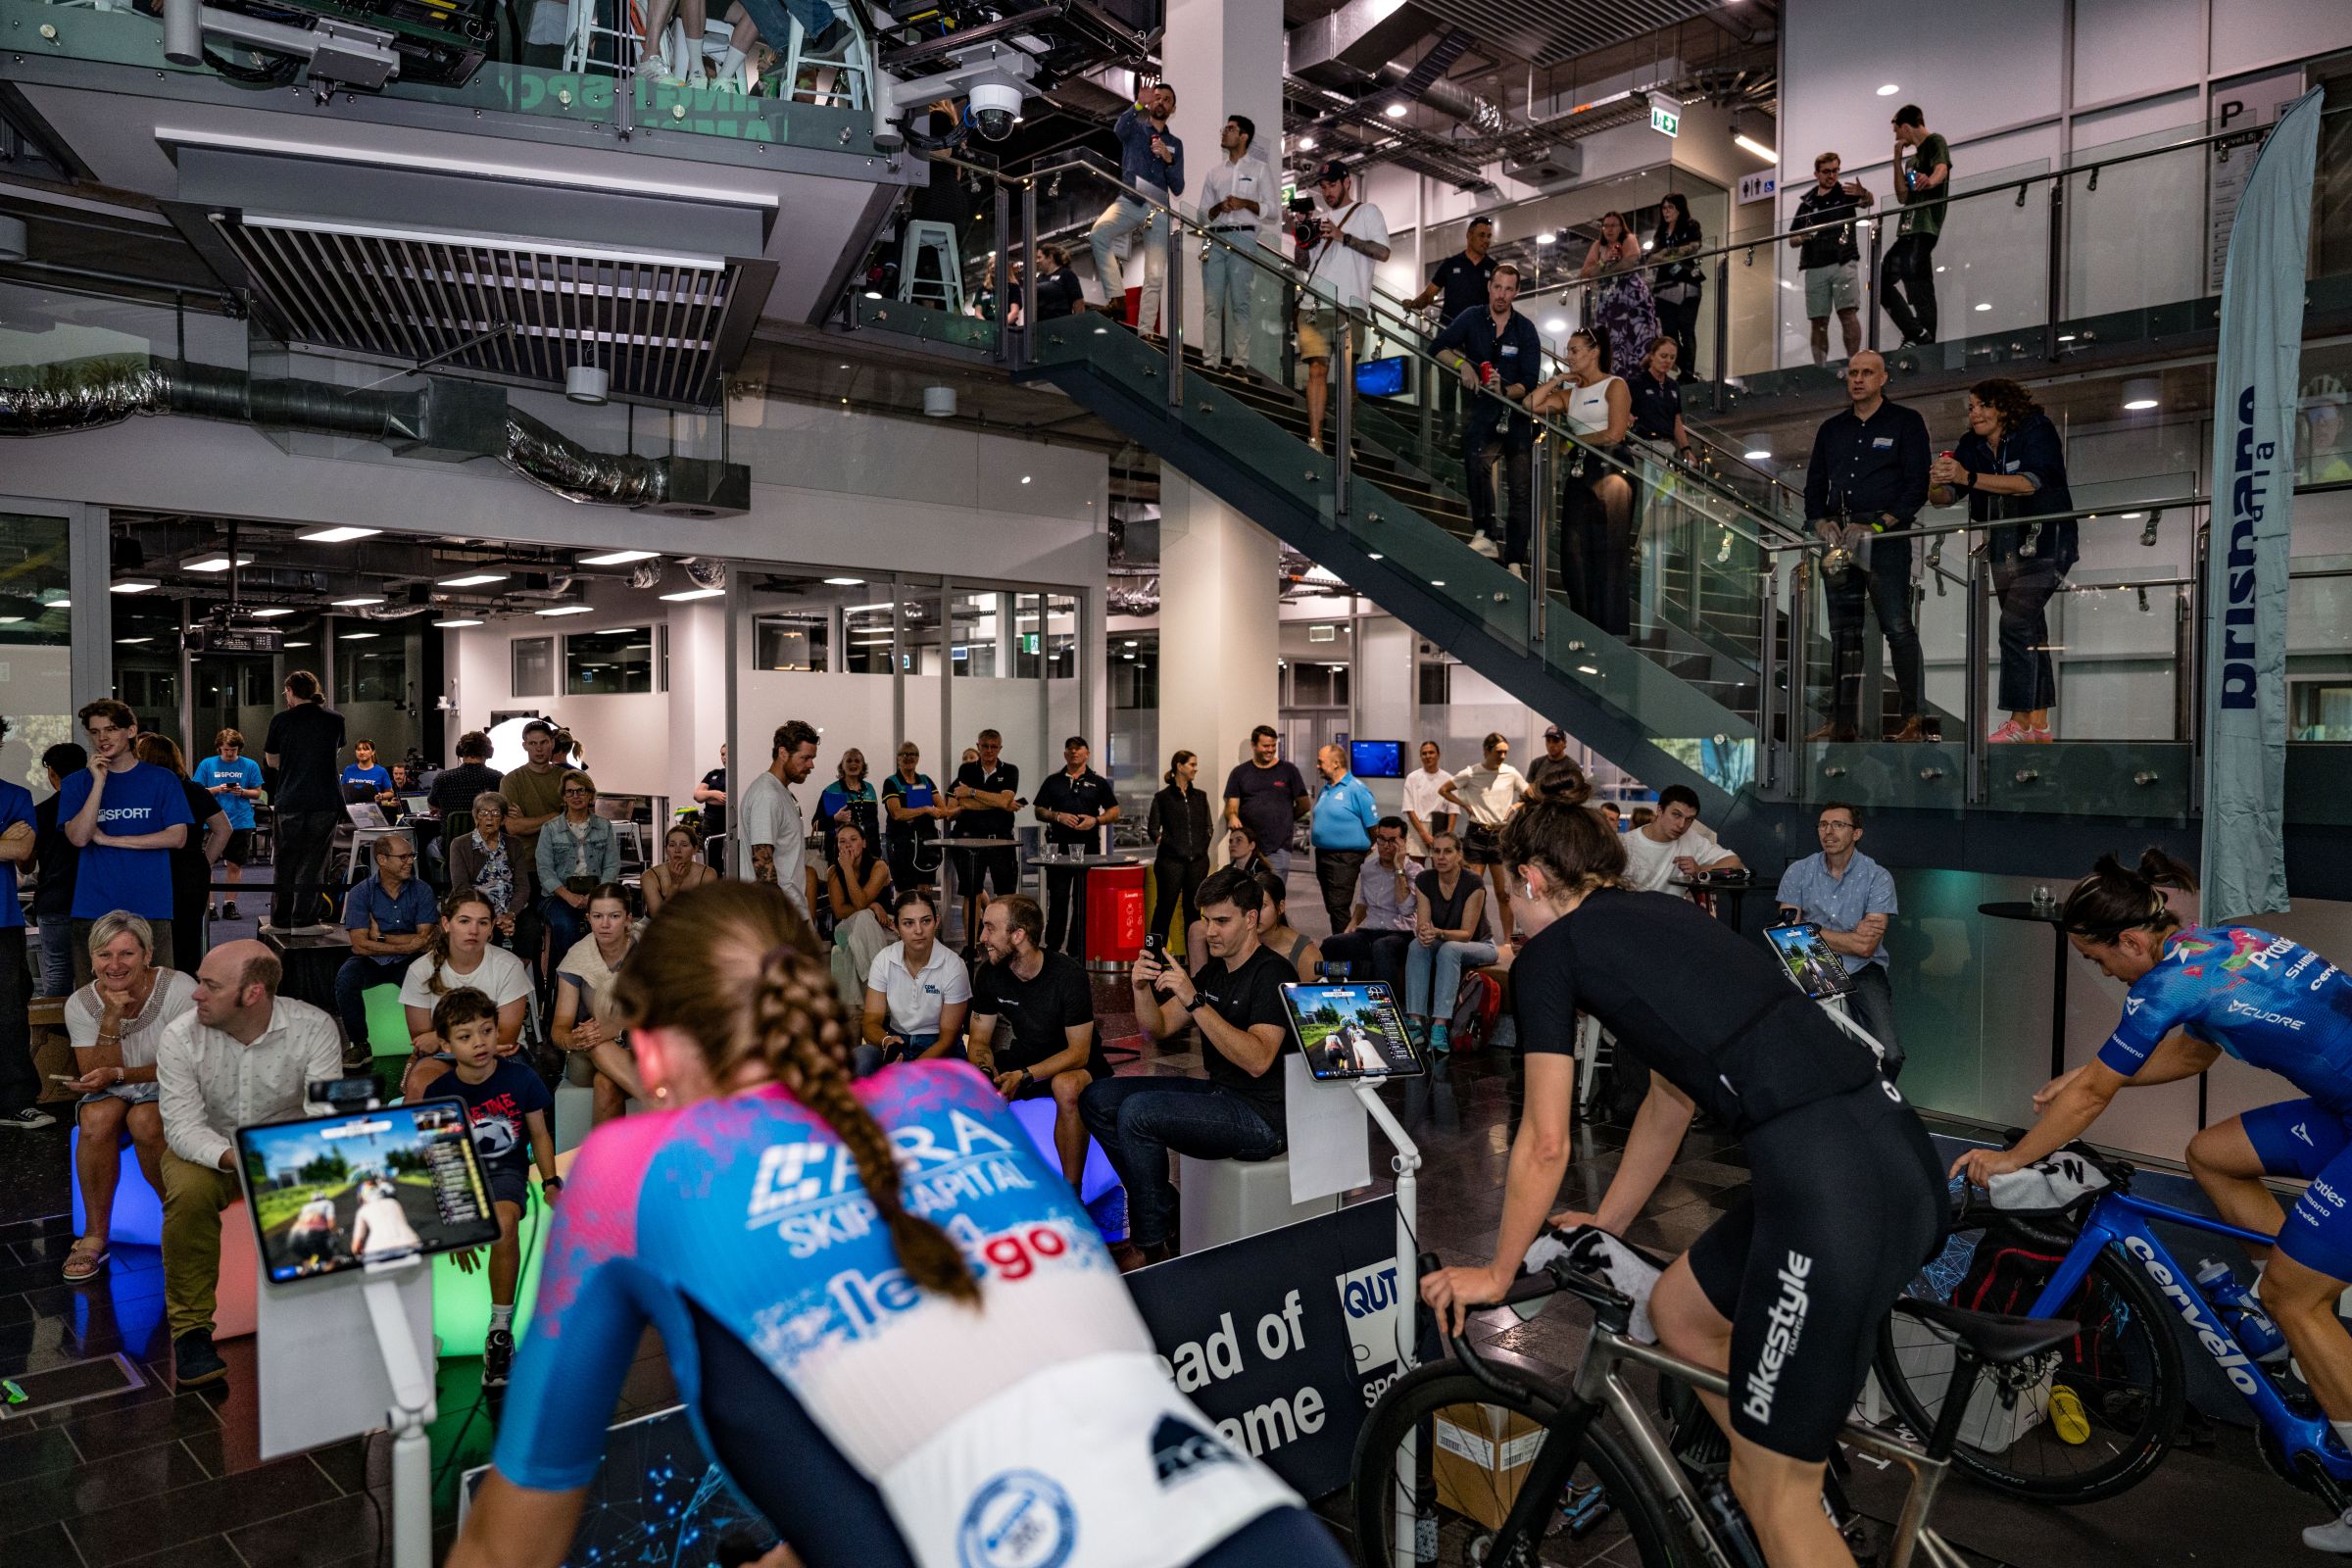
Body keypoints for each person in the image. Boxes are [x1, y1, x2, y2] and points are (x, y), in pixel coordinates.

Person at [447, 878, 1335, 1568]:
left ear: (651, 1053)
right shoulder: (954, 1090)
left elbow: (505, 1546)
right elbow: (951, 1410)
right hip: (1261, 1529)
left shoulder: (626, 1170)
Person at [1421, 796, 1942, 1568]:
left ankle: (1788, 1489)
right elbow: (1674, 1095)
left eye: (1509, 894)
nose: (1512, 917)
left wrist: (1499, 1272)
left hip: (1828, 1190)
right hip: (1895, 1154)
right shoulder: (1662, 916)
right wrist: (1609, 1221)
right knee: (1679, 1311)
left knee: (1773, 1491)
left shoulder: (1553, 954)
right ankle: (1794, 1475)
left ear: (1529, 878)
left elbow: (1543, 1141)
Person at [1949, 858, 2352, 1552]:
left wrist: (2013, 1157)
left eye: (2097, 959)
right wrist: (2091, 1072)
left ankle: (2300, 1316)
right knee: (2213, 1154)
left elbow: (2091, 1100)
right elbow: (2191, 1060)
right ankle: (2287, 1313)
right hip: (2342, 1108)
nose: (2103, 973)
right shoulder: (2210, 945)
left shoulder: (2164, 982)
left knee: (2299, 1294)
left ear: (2131, 942)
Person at [158, 941, 342, 1387]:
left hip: (291, 1150)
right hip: (210, 1150)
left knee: (337, 1182)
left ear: (253, 993)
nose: (196, 994)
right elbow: (182, 1126)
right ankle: (192, 1330)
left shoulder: (314, 1028)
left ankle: (326, 1316)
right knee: (189, 1194)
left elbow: (325, 1119)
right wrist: (237, 1159)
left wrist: (278, 1160)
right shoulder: (180, 1037)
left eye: (209, 985)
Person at [1091, 867, 1295, 1270]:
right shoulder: (1216, 970)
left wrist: (1194, 1000)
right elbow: (1157, 1028)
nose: (1210, 931)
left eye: (1222, 920)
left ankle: (1149, 1245)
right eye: (1205, 919)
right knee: (1098, 1097)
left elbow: (1257, 1060)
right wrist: (1139, 988)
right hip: (1221, 1095)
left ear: (1251, 919)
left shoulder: (1274, 973)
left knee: (1138, 1114)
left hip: (1263, 1118)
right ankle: (1164, 1208)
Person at [1930, 377, 2076, 743]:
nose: (1975, 413)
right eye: (1971, 407)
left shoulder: (2035, 429)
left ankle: (2020, 721)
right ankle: (2039, 724)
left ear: (2005, 407)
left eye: (1983, 405)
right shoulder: (1971, 444)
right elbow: (1947, 496)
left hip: (2046, 540)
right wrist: (1936, 482)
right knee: (2028, 628)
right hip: (2003, 543)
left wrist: (1970, 476)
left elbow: (2031, 483)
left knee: (2014, 623)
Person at [435, 985, 559, 1387]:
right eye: (465, 1036)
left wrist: (552, 1180)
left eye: (487, 1031)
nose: (479, 1043)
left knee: (504, 1222)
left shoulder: (521, 1078)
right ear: (446, 1043)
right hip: (461, 1173)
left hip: (506, 1170)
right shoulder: (439, 1092)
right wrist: (460, 1217)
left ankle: (499, 1330)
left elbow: (539, 1134)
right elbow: (440, 1158)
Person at [1805, 351, 1932, 741]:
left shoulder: (1906, 423)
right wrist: (1820, 521)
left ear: (1883, 378)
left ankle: (1913, 718)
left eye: (1867, 373)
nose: (1858, 379)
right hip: (1838, 539)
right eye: (1852, 373)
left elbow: (1916, 488)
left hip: (1885, 539)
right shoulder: (1831, 429)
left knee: (1897, 627)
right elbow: (1814, 486)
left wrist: (1877, 525)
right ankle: (1839, 721)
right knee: (1844, 633)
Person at [59, 914, 195, 1276]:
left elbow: (188, 1064)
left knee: (145, 1119)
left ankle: (181, 1228)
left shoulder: (178, 988)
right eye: (104, 955)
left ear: (148, 954)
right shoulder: (80, 1003)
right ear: (91, 959)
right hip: (114, 1085)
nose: (115, 965)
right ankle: (94, 1235)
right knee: (95, 1116)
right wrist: (110, 1018)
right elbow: (96, 1074)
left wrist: (120, 1073)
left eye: (126, 954)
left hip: (174, 1083)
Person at [965, 892, 1104, 1187]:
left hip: (1073, 1066)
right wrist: (985, 1073)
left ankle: (1071, 1193)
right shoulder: (989, 974)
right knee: (970, 1086)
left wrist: (1025, 1076)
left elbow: (1079, 1052)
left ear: (1018, 935)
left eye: (990, 928)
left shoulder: (1068, 976)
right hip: (1020, 1063)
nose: (982, 936)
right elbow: (978, 1040)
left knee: (1065, 1086)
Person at [60, 700, 191, 979]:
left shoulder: (162, 779)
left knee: (156, 998)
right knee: (93, 1001)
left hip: (150, 905)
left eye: (110, 729)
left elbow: (178, 837)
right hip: (93, 907)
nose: (102, 738)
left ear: (131, 731)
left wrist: (111, 840)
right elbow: (80, 837)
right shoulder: (77, 783)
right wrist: (98, 784)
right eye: (94, 732)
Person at [1775, 802, 1901, 1075]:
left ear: (1857, 833)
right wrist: (1848, 937)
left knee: (1890, 1055)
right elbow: (1789, 934)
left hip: (1862, 968)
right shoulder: (1799, 871)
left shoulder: (1877, 878)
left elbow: (1866, 947)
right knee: (1790, 1044)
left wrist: (1813, 930)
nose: (1828, 832)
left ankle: (1871, 1111)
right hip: (1808, 959)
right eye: (1823, 825)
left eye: (1838, 825)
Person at [1430, 262, 1541, 569]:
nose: (1501, 294)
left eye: (1508, 289)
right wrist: (1461, 364)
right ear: (1489, 288)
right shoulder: (1472, 317)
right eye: (1497, 287)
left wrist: (1505, 389)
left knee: (1520, 490)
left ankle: (1516, 559)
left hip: (1517, 415)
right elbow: (1437, 346)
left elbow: (1531, 379)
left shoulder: (1525, 329)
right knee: (1476, 459)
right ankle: (1486, 532)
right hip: (1482, 412)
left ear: (1516, 292)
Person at [1532, 326, 1637, 632]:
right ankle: (1584, 622)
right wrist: (1557, 380)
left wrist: (1574, 441)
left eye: (1575, 350)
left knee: (1608, 548)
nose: (1569, 356)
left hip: (1612, 469)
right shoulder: (1570, 394)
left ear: (1594, 352)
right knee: (1572, 550)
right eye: (1568, 350)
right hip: (1580, 468)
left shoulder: (1615, 386)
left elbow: (1615, 433)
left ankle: (1610, 627)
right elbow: (1532, 404)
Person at [399, 890, 533, 1105]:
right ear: (446, 923)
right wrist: (455, 1043)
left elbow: (507, 1036)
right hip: (445, 1056)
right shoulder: (420, 970)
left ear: (491, 929)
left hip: (500, 1054)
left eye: (482, 923)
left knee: (498, 1089)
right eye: (464, 921)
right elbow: (423, 1041)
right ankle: (416, 1139)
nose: (473, 930)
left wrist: (442, 1037)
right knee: (420, 1084)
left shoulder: (508, 966)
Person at [1297, 160, 1392, 453]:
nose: (1327, 192)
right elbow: (1303, 265)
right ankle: (1315, 439)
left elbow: (1383, 252)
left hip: (1350, 304)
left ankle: (1344, 439)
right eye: (1323, 187)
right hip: (1313, 303)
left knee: (1347, 372)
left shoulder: (1367, 211)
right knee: (1316, 368)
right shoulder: (1318, 220)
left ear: (1347, 182)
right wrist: (1299, 235)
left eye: (1332, 185)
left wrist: (1343, 237)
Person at [333, 831, 438, 1060]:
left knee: (429, 978)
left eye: (411, 856)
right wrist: (405, 945)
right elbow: (360, 945)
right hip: (371, 960)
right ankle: (360, 1045)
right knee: (346, 978)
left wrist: (380, 938)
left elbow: (425, 939)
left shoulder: (422, 890)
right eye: (403, 857)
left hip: (410, 961)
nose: (410, 861)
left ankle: (430, 1043)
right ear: (382, 860)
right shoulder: (361, 892)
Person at [1088, 80, 1184, 328]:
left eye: (1167, 100)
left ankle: (1146, 330)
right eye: (1158, 97)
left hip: (1159, 207)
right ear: (1151, 101)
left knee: (1154, 274)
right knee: (1099, 233)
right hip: (1130, 199)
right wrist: (1138, 103)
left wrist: (1168, 158)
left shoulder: (1176, 143)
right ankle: (1117, 297)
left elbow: (1179, 187)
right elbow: (1119, 130)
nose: (1161, 102)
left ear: (1173, 109)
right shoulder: (1135, 129)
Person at [133, 734, 230, 968]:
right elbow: (224, 829)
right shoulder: (195, 790)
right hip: (190, 874)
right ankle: (187, 998)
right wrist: (203, 862)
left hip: (150, 873)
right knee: (187, 945)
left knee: (146, 945)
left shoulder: (140, 791)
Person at [553, 884, 645, 1126]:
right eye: (597, 916)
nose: (605, 924)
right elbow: (559, 1027)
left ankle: (606, 1163)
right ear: (588, 919)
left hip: (644, 1046)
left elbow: (667, 1013)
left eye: (614, 916)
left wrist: (616, 1030)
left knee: (606, 1083)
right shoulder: (576, 958)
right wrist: (574, 1040)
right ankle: (671, 1108)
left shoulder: (650, 949)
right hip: (590, 1055)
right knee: (596, 1042)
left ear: (628, 919)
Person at [858, 889, 972, 1077]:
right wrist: (887, 1041)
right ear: (895, 927)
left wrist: (908, 1074)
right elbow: (870, 1022)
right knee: (860, 1059)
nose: (918, 930)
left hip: (939, 1047)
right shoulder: (884, 959)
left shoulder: (954, 966)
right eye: (908, 923)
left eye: (925, 921)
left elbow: (947, 1040)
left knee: (934, 1090)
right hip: (897, 1042)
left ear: (937, 921)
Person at [264, 670, 345, 933]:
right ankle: (305, 920)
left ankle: (280, 920)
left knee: (286, 860)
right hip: (325, 798)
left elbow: (271, 761)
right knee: (314, 861)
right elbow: (335, 752)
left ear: (290, 690)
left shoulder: (280, 720)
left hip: (290, 798)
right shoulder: (335, 720)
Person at [1198, 113, 1274, 371]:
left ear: (1244, 136)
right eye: (1225, 128)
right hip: (1216, 238)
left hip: (1244, 238)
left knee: (1240, 302)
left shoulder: (1260, 169)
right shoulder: (1214, 173)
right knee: (1212, 303)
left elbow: (1273, 211)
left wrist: (1244, 203)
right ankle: (1211, 360)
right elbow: (1201, 214)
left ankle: (1240, 361)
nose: (1224, 132)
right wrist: (1220, 206)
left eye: (1230, 129)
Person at [1438, 731, 1529, 947]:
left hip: (1500, 834)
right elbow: (1444, 789)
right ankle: (1471, 937)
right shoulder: (1471, 773)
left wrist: (1515, 806)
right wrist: (1465, 805)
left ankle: (1507, 942)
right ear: (1486, 751)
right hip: (1477, 833)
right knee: (1472, 890)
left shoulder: (1510, 773)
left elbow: (1528, 793)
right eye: (1499, 752)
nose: (1503, 756)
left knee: (1503, 892)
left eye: (1506, 752)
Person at [1403, 831, 1493, 1051]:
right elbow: (1423, 924)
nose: (1441, 857)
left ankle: (1440, 1025)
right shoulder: (1425, 879)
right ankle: (1415, 1023)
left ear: (1458, 854)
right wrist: (1424, 932)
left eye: (1448, 851)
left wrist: (1439, 933)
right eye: (1436, 851)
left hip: (1481, 944)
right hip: (1443, 939)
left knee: (1449, 950)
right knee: (1417, 945)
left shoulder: (1473, 881)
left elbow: (1466, 934)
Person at [1034, 734, 1120, 958]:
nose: (1073, 752)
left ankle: (1077, 952)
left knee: (1083, 903)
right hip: (1058, 850)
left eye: (1078, 748)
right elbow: (1039, 810)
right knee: (1059, 900)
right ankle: (1052, 951)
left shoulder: (1098, 782)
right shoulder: (1053, 781)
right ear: (1065, 754)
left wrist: (1096, 820)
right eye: (1069, 748)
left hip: (1088, 850)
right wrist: (1057, 816)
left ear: (1087, 753)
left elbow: (1114, 811)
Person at [1790, 151, 1876, 366]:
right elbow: (1792, 238)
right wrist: (1804, 236)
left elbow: (1867, 201)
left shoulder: (1846, 193)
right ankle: (1820, 368)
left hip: (1843, 259)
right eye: (1827, 171)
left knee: (1847, 314)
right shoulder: (1807, 204)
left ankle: (1853, 364)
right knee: (1818, 321)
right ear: (1816, 174)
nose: (1832, 175)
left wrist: (1864, 193)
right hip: (1815, 264)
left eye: (1835, 170)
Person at [1318, 817, 1418, 997]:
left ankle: (1386, 1004)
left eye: (1392, 840)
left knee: (1382, 947)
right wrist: (1352, 924)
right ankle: (1336, 996)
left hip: (1402, 933)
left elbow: (1406, 909)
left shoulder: (1414, 871)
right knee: (1332, 944)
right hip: (1370, 931)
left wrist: (1399, 868)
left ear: (1403, 842)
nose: (1386, 846)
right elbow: (1363, 901)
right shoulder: (1368, 868)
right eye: (1381, 839)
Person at [449, 793, 543, 979]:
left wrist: (510, 915)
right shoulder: (460, 844)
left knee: (532, 928)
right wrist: (491, 917)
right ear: (475, 817)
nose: (489, 818)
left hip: (511, 910)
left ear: (503, 819)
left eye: (495, 813)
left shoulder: (514, 844)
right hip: (477, 909)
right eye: (483, 812)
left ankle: (518, 981)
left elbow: (523, 886)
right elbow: (461, 888)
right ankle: (490, 984)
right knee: (487, 934)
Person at [1884, 104, 1952, 349]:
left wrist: (1931, 182)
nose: (1896, 137)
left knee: (1917, 281)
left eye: (1897, 131)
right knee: (1892, 280)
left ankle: (1921, 336)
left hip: (1924, 227)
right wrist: (1897, 160)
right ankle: (1920, 333)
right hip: (1908, 227)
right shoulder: (1912, 160)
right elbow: (1903, 195)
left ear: (1905, 126)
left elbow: (1941, 169)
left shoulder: (1935, 142)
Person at [948, 729, 1021, 953]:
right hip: (971, 842)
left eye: (994, 746)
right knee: (971, 893)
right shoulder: (966, 769)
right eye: (985, 746)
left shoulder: (1010, 770)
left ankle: (1006, 943)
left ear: (1000, 748)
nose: (989, 751)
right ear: (978, 746)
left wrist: (972, 792)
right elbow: (963, 804)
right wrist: (997, 801)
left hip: (1001, 841)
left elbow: (1005, 800)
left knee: (1006, 895)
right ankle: (972, 945)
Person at [537, 769, 619, 965]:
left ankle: (606, 973)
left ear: (590, 794)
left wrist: (596, 895)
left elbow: (611, 865)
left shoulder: (604, 826)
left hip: (596, 892)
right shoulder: (550, 829)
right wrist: (569, 896)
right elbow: (545, 871)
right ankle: (572, 973)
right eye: (570, 792)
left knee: (612, 924)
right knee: (565, 925)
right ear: (563, 797)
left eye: (581, 791)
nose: (576, 796)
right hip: (558, 895)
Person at [741, 719, 820, 917]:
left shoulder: (779, 791)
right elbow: (761, 859)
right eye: (806, 758)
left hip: (790, 909)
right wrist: (777, 918)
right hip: (780, 914)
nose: (811, 765)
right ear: (783, 753)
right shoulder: (767, 795)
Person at [0, 724, 35, 1131]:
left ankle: (14, 1102)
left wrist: (10, 844)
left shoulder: (15, 796)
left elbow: (22, 849)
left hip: (3, 922)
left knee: (8, 1014)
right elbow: (7, 847)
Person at [32, 742, 87, 1001]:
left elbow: (26, 862)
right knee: (97, 976)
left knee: (57, 976)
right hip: (93, 900)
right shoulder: (97, 806)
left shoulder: (41, 812)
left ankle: (54, 1039)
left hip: (54, 899)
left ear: (52, 772)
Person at [1620, 784, 1744, 898]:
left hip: (1672, 917)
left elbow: (1735, 863)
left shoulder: (1691, 838)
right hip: (1634, 916)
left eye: (1689, 819)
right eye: (1676, 814)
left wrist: (1700, 870)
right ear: (1659, 810)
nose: (1681, 825)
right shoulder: (1625, 844)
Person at [825, 819, 897, 1012]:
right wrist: (871, 905)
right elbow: (840, 911)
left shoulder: (879, 867)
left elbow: (858, 903)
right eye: (841, 841)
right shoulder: (833, 871)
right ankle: (880, 985)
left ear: (864, 843)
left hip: (882, 924)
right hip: (847, 927)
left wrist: (868, 905)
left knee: (864, 918)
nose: (847, 845)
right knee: (864, 915)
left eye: (853, 839)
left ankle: (869, 993)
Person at [1308, 743, 1379, 934]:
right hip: (1323, 855)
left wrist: (1366, 849)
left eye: (1320, 762)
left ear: (1336, 763)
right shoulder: (1326, 789)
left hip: (1345, 857)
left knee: (1339, 906)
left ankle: (1344, 951)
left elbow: (1374, 827)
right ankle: (1341, 945)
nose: (1317, 765)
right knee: (1333, 906)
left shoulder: (1356, 789)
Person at [1222, 724, 1308, 878]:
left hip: (1278, 847)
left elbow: (1304, 805)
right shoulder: (1239, 773)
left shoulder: (1289, 771)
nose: (1270, 749)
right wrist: (1233, 816)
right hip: (1246, 847)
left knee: (1273, 896)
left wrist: (1285, 819)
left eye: (1273, 745)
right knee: (1244, 895)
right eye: (1266, 746)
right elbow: (1231, 807)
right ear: (1253, 745)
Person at [194, 728, 264, 921]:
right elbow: (198, 791)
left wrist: (242, 792)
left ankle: (229, 903)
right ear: (219, 748)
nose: (230, 753)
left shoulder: (250, 765)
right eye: (226, 750)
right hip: (212, 822)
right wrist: (218, 789)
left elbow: (258, 792)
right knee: (206, 865)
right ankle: (210, 905)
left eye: (233, 750)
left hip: (240, 821)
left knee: (235, 865)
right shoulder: (207, 764)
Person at [1579, 212, 1658, 376]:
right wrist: (1604, 260)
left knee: (1635, 337)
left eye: (1613, 225)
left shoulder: (1628, 239)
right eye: (1606, 225)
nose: (1609, 229)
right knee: (1611, 341)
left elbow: (1630, 261)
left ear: (1621, 227)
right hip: (1608, 300)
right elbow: (1585, 273)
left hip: (1630, 296)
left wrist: (1604, 272)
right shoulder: (1597, 246)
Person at [1147, 750, 1212, 947]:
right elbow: (1152, 828)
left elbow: (1208, 827)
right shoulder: (1162, 797)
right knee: (1164, 909)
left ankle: (1197, 962)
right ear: (1179, 766)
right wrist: (1166, 843)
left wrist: (1201, 848)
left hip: (1198, 862)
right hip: (1170, 863)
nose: (1195, 769)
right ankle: (1154, 958)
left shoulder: (1200, 796)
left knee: (1193, 911)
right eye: (1192, 764)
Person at [499, 720, 570, 879]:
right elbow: (514, 827)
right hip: (527, 864)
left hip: (563, 862)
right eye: (533, 743)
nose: (539, 748)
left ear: (552, 743)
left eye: (544, 742)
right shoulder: (511, 780)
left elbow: (576, 821)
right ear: (524, 745)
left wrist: (527, 821)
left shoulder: (566, 778)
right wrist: (555, 816)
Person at [880, 742, 951, 894]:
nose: (908, 757)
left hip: (925, 844)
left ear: (918, 758)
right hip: (901, 844)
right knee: (905, 891)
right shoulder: (891, 782)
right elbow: (897, 813)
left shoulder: (926, 780)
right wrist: (926, 809)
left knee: (925, 891)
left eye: (912, 754)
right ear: (898, 758)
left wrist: (934, 811)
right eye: (904, 754)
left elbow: (943, 810)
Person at [1406, 215, 1498, 325]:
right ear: (1469, 236)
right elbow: (1428, 295)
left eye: (1489, 236)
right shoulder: (1450, 264)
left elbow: (1499, 301)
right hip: (1450, 330)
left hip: (1479, 333)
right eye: (1481, 235)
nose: (1486, 240)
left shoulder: (1494, 268)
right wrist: (1413, 304)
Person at [1650, 193, 1704, 379]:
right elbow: (1652, 257)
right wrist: (1671, 254)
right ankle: (1685, 367)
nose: (1666, 211)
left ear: (1679, 209)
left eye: (1670, 207)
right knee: (1669, 331)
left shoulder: (1690, 225)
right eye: (1664, 208)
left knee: (1686, 329)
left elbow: (1693, 246)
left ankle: (1688, 371)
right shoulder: (1661, 231)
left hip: (1687, 282)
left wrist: (1668, 254)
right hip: (1665, 285)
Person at [1627, 335, 1694, 463]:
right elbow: (1620, 408)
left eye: (1672, 357)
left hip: (1668, 448)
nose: (1668, 360)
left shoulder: (1673, 386)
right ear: (1652, 356)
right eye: (1663, 356)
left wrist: (1686, 448)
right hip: (1642, 445)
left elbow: (1675, 419)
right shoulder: (1636, 383)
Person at [816, 747, 881, 867]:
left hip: (869, 853)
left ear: (863, 766)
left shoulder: (870, 789)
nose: (853, 764)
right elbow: (815, 824)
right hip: (840, 855)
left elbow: (874, 823)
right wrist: (834, 819)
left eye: (857, 761)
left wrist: (878, 854)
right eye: (849, 761)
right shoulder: (831, 791)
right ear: (842, 766)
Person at [642, 823, 719, 914]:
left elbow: (709, 914)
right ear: (666, 850)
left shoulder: (708, 874)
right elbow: (658, 920)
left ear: (695, 849)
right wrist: (675, 885)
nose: (677, 850)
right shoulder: (650, 876)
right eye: (672, 845)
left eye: (684, 845)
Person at [428, 730, 504, 818]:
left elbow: (432, 804)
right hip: (486, 831)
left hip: (453, 832)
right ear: (489, 753)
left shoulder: (442, 778)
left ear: (460, 752)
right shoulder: (498, 778)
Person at [350, 1174, 424, 1259]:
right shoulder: (394, 1203)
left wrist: (358, 1252)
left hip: (378, 1249)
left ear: (363, 1196)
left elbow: (356, 1246)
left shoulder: (362, 1210)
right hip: (410, 1243)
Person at [1400, 740, 1452, 858]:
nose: (1428, 756)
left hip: (1441, 827)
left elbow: (1453, 811)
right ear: (1420, 756)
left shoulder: (1448, 779)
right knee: (1416, 871)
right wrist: (1423, 834)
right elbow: (1409, 808)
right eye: (1424, 753)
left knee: (1441, 867)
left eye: (1431, 752)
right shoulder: (1412, 778)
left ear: (1438, 755)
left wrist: (1448, 835)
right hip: (1418, 827)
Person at [1029, 242, 1085, 321]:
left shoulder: (1066, 274)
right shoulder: (1040, 278)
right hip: (1041, 325)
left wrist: (1077, 323)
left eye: (1039, 257)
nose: (1037, 261)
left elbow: (1078, 302)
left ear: (1050, 258)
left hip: (1061, 323)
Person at [692, 742, 728, 850]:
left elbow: (729, 799)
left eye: (727, 754)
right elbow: (697, 795)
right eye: (722, 754)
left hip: (726, 823)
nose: (724, 757)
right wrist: (715, 794)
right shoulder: (714, 773)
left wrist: (707, 797)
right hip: (710, 824)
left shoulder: (736, 775)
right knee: (711, 860)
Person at [341, 738, 395, 805]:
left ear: (373, 752)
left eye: (365, 749)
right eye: (359, 749)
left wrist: (381, 796)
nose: (362, 752)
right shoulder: (348, 770)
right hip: (351, 810)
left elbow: (390, 793)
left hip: (372, 811)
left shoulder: (381, 771)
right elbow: (342, 790)